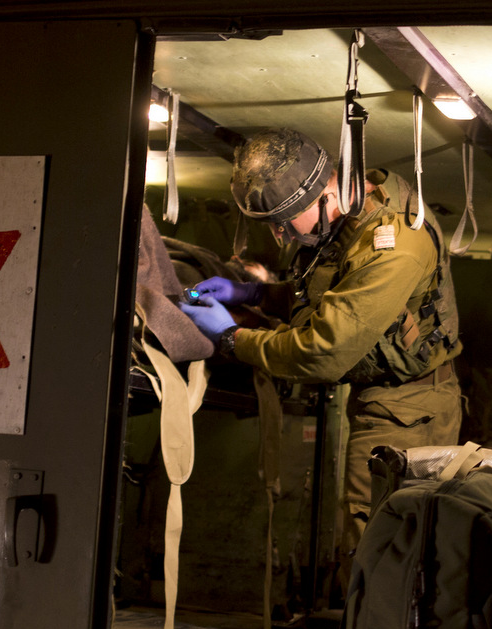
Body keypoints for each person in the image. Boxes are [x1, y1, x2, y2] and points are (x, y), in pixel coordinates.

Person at [180, 128, 462, 593]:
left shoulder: (393, 245)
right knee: (369, 542)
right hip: (383, 398)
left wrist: (231, 338)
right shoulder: (348, 215)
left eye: (286, 221)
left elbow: (321, 351)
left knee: (372, 547)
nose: (280, 235)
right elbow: (329, 289)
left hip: (408, 409)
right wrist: (254, 292)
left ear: (328, 189)